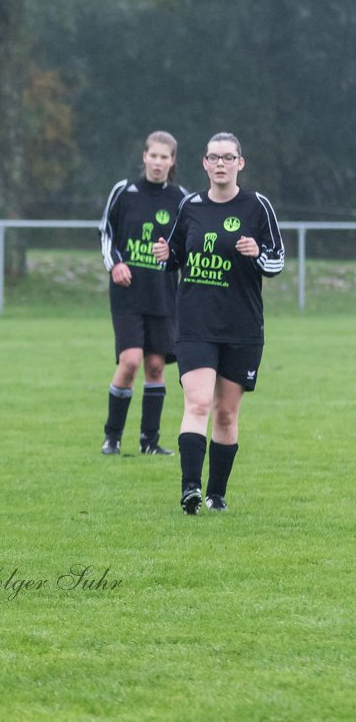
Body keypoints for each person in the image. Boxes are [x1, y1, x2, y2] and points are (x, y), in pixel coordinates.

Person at [152, 132, 285, 514]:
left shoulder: (258, 207)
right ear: (204, 164)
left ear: (240, 163)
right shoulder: (190, 205)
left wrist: (257, 253)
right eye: (214, 157)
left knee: (225, 413)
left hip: (242, 327)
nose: (221, 164)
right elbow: (176, 253)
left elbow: (277, 261)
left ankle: (216, 494)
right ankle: (190, 490)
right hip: (195, 323)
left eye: (228, 157)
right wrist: (166, 253)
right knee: (197, 402)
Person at [97, 131, 187, 456]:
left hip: (163, 293)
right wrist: (115, 265)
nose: (159, 162)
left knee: (155, 365)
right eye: (154, 155)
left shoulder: (181, 199)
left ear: (172, 161)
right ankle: (112, 436)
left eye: (165, 157)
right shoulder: (124, 192)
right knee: (131, 361)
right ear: (144, 156)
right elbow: (106, 232)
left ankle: (150, 442)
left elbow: (187, 244)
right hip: (128, 293)